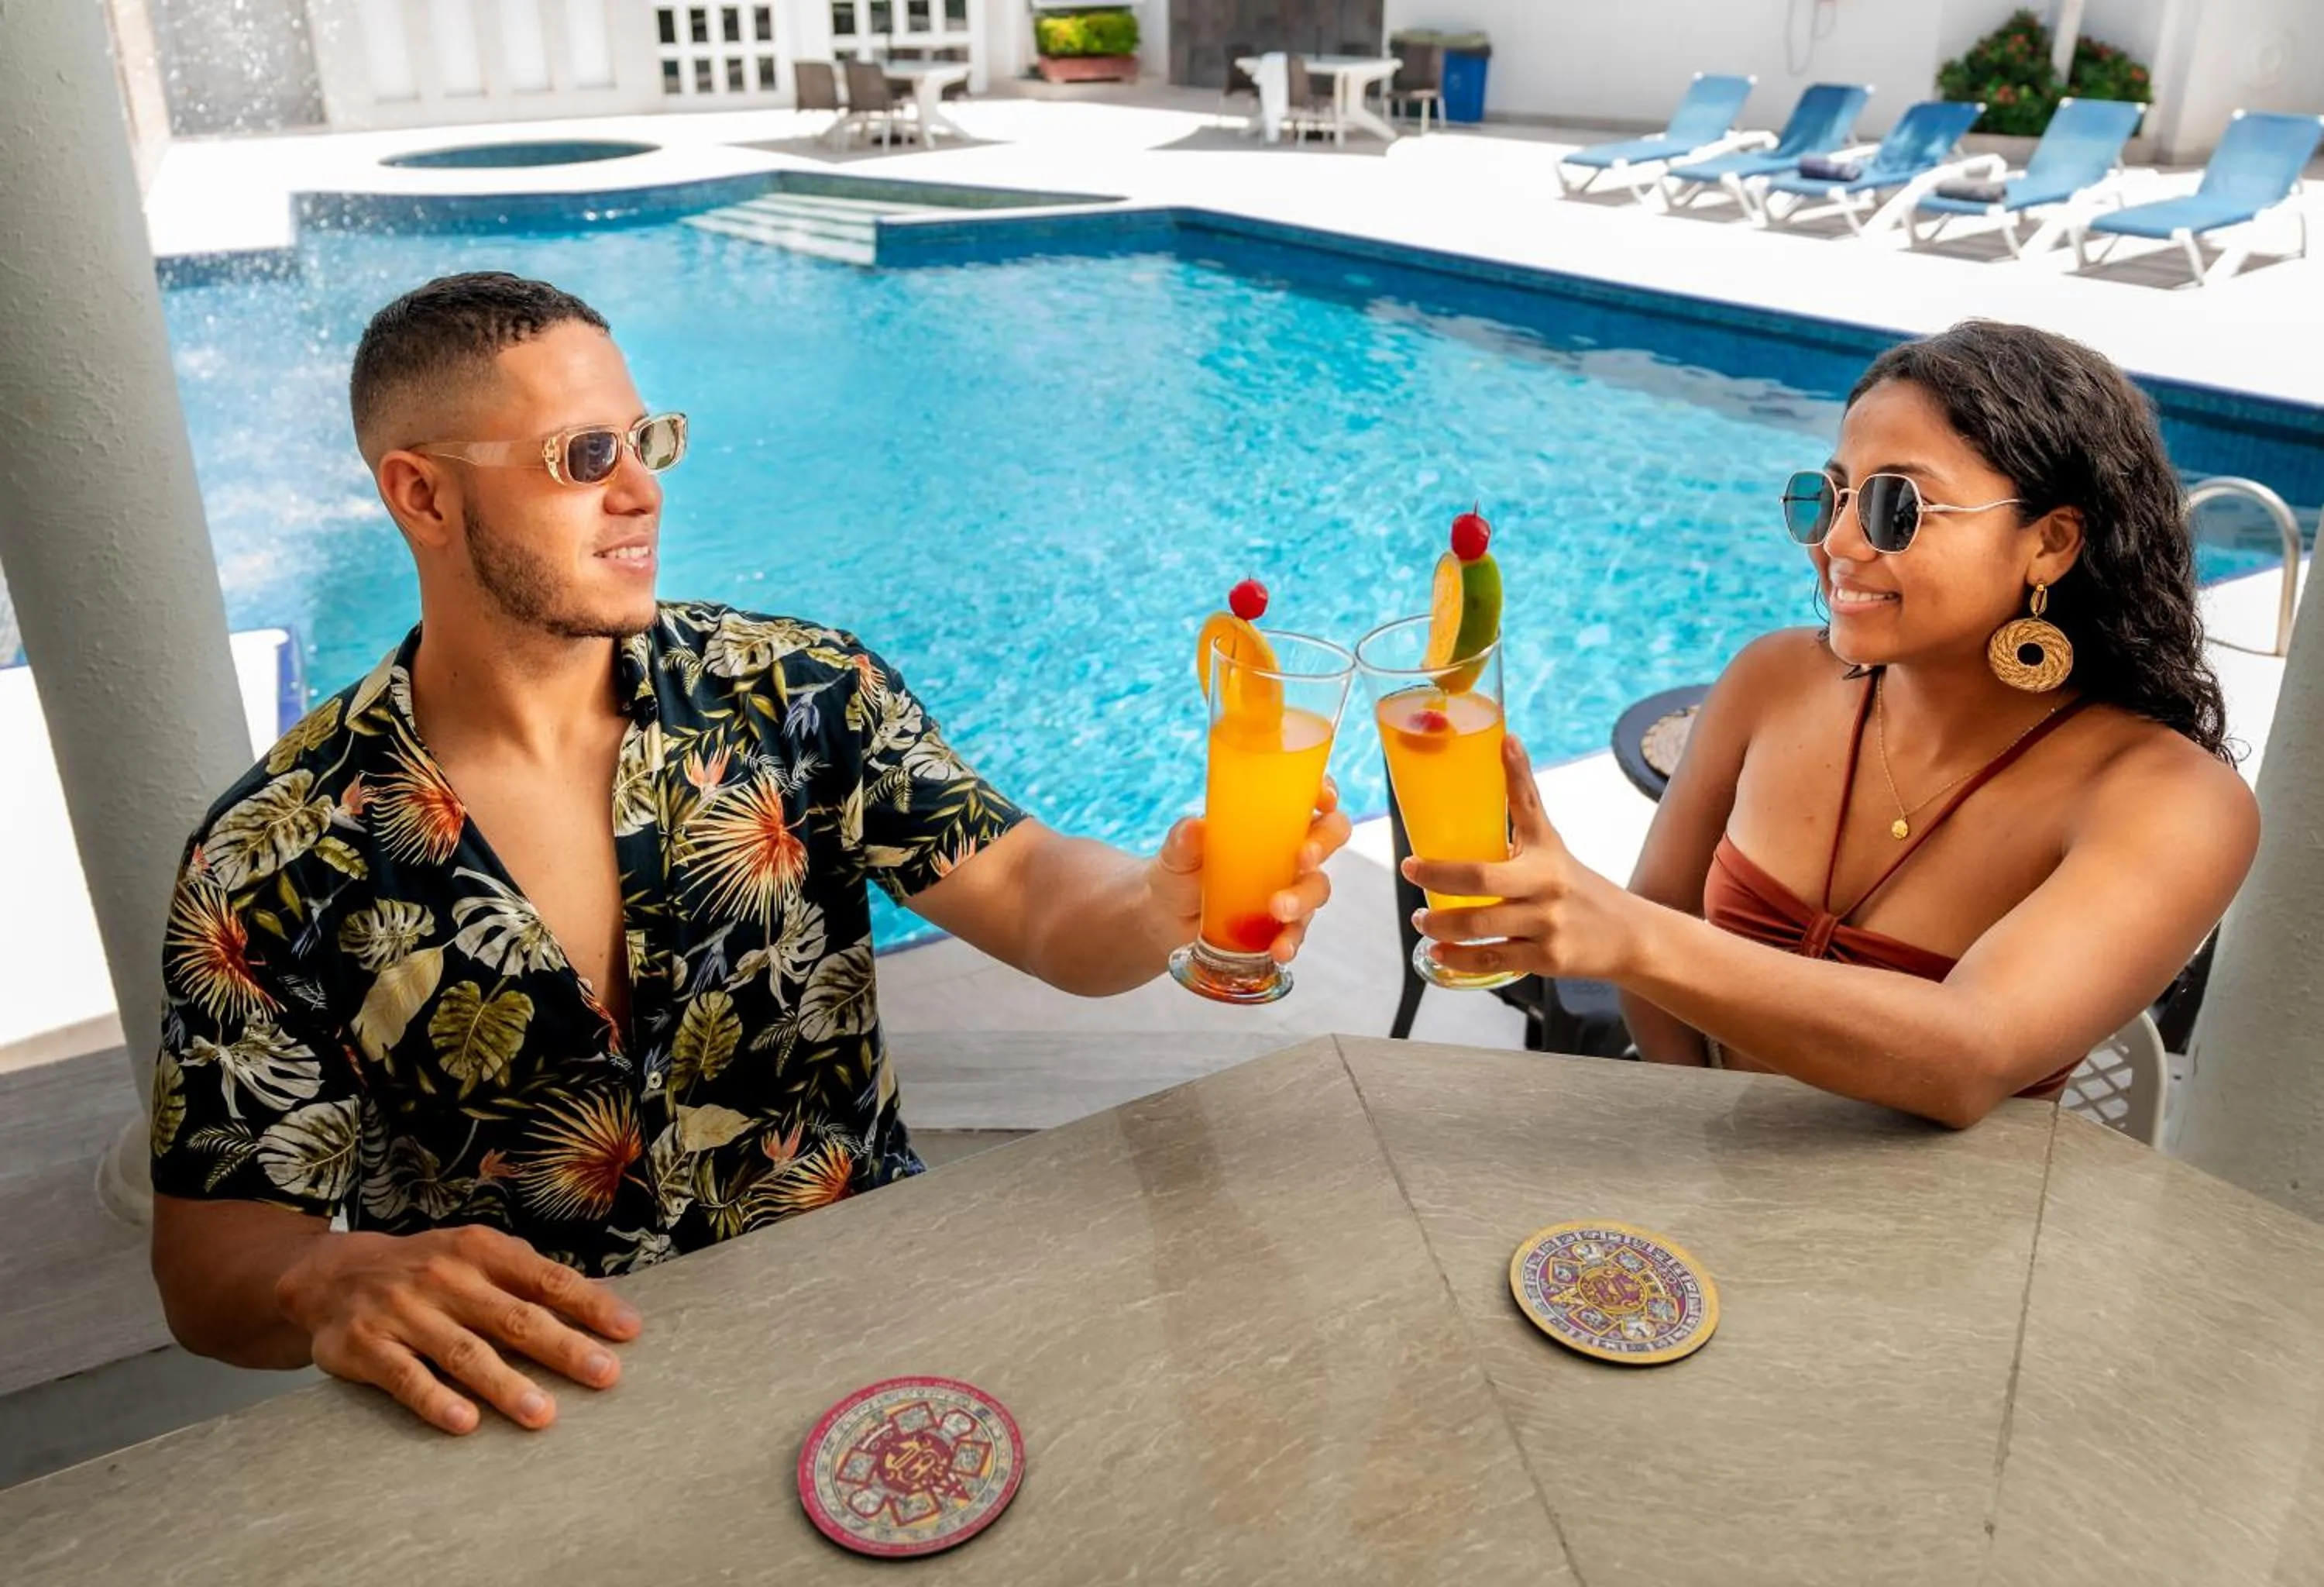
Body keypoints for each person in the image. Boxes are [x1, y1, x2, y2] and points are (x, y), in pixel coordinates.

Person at [150, 272, 1349, 1436]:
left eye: (645, 442)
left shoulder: (800, 696)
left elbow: (1033, 892)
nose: (641, 492)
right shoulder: (273, 859)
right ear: (422, 498)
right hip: (550, 1416)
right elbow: (214, 1269)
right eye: (583, 457)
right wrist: (325, 1279)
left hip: (881, 1354)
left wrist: (1158, 898)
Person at [1409, 320, 2257, 1129]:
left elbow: (1971, 1055)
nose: (1838, 543)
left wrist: (1629, 938)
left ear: (2052, 542)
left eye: (1897, 507)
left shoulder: (2169, 800)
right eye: (1832, 495)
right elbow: (1662, 917)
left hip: (1942, 1245)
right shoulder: (1771, 680)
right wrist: (1703, 1145)